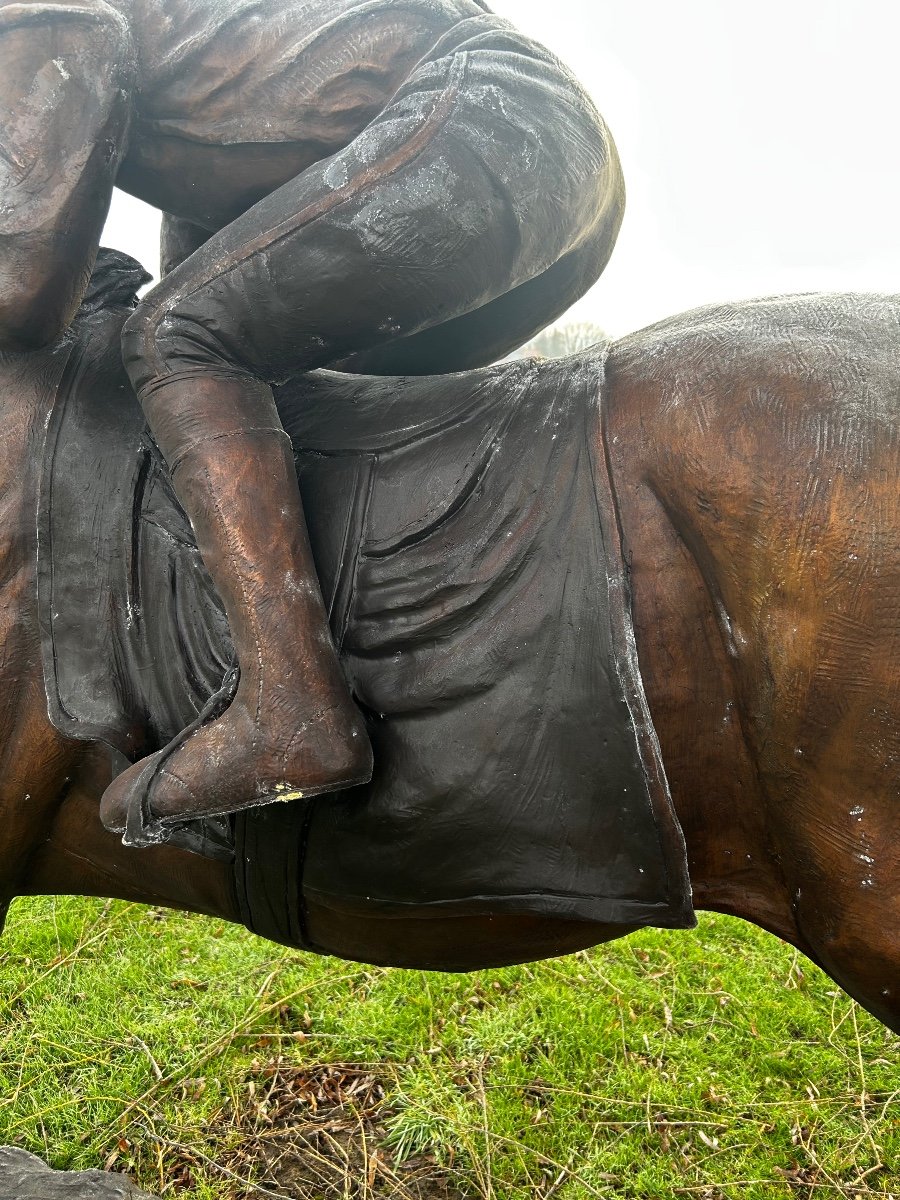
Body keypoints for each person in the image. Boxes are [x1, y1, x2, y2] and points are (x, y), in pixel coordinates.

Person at [0, 0, 624, 842]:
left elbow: (29, 291)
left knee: (177, 338)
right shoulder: (200, 64)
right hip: (541, 152)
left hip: (485, 118)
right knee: (237, 379)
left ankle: (292, 706)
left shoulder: (38, 19)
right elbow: (220, 234)